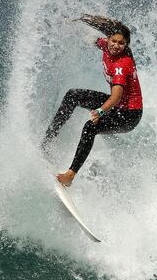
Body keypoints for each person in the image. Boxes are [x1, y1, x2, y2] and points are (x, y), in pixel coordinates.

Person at [42, 14, 143, 186]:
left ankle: (70, 176)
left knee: (90, 127)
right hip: (117, 106)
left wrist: (100, 111)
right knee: (73, 95)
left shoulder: (122, 64)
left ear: (126, 46)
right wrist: (73, 26)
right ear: (108, 39)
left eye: (121, 43)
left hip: (129, 115)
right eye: (114, 41)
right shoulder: (106, 46)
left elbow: (116, 95)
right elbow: (93, 38)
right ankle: (48, 141)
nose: (116, 46)